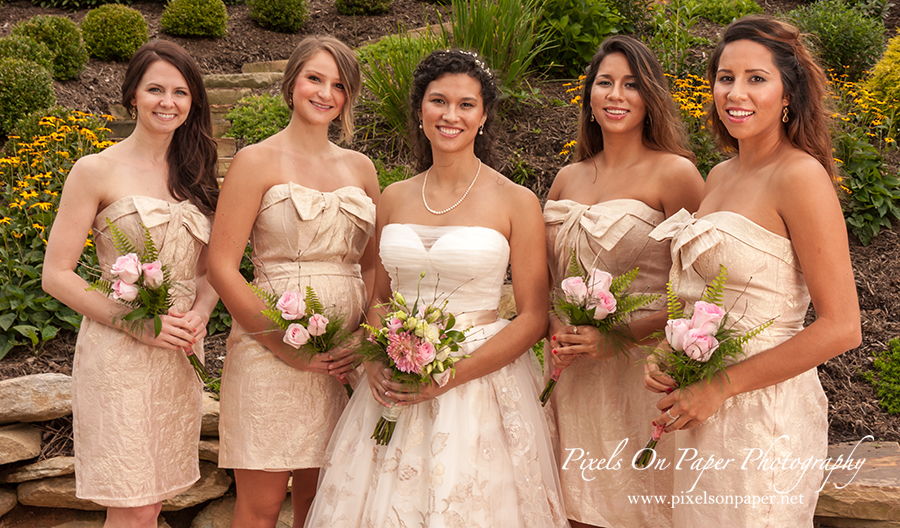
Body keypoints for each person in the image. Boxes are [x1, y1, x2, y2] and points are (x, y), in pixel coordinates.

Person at [305, 49, 568, 527]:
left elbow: (532, 316)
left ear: (484, 115)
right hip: (394, 381)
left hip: (479, 384)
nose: (451, 115)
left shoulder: (517, 200)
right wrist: (380, 355)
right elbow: (381, 300)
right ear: (420, 111)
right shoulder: (394, 195)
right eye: (438, 101)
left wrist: (448, 376)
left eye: (466, 104)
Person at [644, 17, 861, 526]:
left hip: (764, 416)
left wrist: (719, 387)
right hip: (698, 413)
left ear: (789, 93)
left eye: (756, 78)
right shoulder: (719, 175)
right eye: (725, 77)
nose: (735, 92)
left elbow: (842, 327)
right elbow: (706, 293)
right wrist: (671, 348)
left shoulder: (800, 176)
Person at [42, 40, 220, 528]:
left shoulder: (197, 175)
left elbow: (209, 271)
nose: (168, 102)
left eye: (181, 92)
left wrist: (201, 312)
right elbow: (56, 275)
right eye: (156, 89)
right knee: (134, 503)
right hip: (119, 351)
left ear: (193, 102)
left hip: (179, 352)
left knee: (155, 499)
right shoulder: (95, 170)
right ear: (133, 95)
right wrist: (137, 325)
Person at [208, 35, 379, 528]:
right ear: (291, 84)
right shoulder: (254, 161)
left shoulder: (361, 169)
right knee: (260, 507)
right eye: (315, 79)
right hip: (269, 357)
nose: (325, 93)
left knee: (323, 503)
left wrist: (365, 335)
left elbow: (372, 266)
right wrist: (282, 345)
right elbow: (222, 266)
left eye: (339, 85)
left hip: (343, 359)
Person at [543, 35, 704, 528]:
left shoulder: (675, 173)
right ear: (589, 96)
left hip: (640, 369)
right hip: (572, 376)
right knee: (575, 508)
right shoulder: (567, 178)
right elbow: (550, 280)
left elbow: (703, 291)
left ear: (649, 95)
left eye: (631, 84)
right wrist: (557, 324)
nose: (616, 94)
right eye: (605, 83)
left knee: (640, 508)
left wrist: (615, 337)